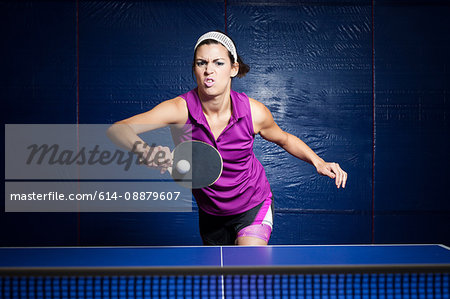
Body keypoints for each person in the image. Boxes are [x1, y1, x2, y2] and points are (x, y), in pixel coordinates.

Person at [107, 31, 347, 246]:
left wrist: (318, 161)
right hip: (211, 213)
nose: (209, 70)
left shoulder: (254, 112)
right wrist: (143, 150)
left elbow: (284, 139)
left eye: (218, 63)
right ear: (195, 70)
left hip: (253, 204)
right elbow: (117, 130)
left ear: (233, 68)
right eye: (201, 63)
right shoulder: (180, 110)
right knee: (222, 282)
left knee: (247, 273)